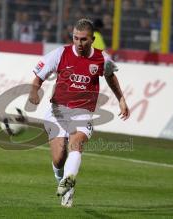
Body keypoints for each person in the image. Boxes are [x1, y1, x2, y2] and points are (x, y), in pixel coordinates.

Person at [28, 18, 130, 207]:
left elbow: (111, 77)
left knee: (76, 144)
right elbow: (37, 78)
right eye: (75, 38)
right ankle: (62, 178)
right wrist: (34, 92)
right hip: (57, 111)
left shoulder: (102, 58)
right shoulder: (60, 54)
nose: (79, 43)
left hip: (83, 112)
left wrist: (121, 100)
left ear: (92, 39)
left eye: (83, 39)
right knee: (58, 158)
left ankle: (69, 184)